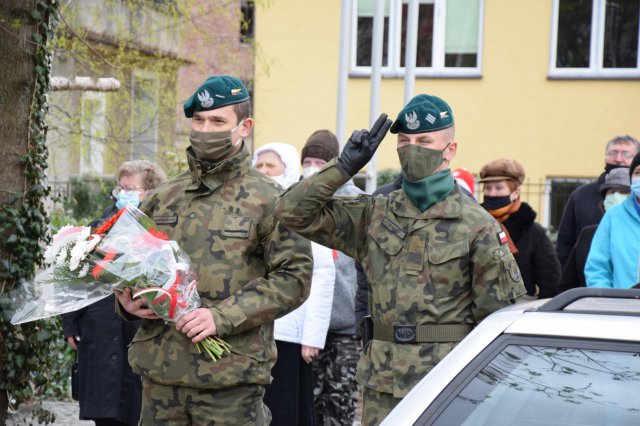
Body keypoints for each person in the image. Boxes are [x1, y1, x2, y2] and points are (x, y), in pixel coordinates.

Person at [275, 94, 526, 425]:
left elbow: (499, 322)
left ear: (449, 150)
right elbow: (290, 211)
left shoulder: (476, 225)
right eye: (404, 140)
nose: (412, 149)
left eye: (424, 141)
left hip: (445, 381)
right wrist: (344, 167)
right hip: (382, 382)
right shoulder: (375, 212)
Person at [114, 75, 313, 425]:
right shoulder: (164, 196)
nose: (206, 130)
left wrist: (221, 317)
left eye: (218, 121)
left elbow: (293, 279)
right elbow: (134, 266)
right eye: (199, 120)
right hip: (161, 378)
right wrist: (127, 302)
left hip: (230, 381)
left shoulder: (271, 199)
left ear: (244, 127)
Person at [62, 160, 167, 426]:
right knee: (104, 409)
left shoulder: (161, 231)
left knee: (137, 406)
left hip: (141, 329)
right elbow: (74, 278)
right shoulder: (98, 227)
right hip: (98, 329)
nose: (122, 194)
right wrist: (70, 323)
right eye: (120, 188)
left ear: (150, 192)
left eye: (131, 188)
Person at [253, 142, 336, 426]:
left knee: (284, 408)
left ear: (287, 170)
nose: (264, 172)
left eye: (271, 166)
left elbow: (323, 275)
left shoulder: (301, 210)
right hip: (250, 330)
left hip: (288, 334)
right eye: (259, 166)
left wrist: (312, 337)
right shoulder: (246, 207)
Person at [300, 130, 364, 426]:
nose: (312, 167)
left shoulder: (356, 202)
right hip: (307, 323)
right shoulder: (298, 200)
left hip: (345, 324)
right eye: (308, 160)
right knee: (309, 400)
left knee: (340, 399)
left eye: (319, 161)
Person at [478, 158, 561, 300]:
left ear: (515, 192)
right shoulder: (474, 224)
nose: (492, 194)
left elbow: (550, 282)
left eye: (499, 188)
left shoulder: (534, 232)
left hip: (518, 310)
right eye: (488, 188)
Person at [555, 135, 640, 266]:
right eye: (613, 153)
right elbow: (565, 243)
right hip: (586, 276)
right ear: (605, 157)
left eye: (626, 154)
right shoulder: (580, 195)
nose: (618, 159)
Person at [560, 167, 630, 290]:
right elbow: (569, 281)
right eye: (612, 192)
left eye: (624, 192)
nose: (616, 196)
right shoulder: (588, 234)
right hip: (592, 304)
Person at [585, 153, 640, 288]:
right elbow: (597, 268)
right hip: (621, 306)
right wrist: (608, 301)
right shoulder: (614, 216)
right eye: (638, 172)